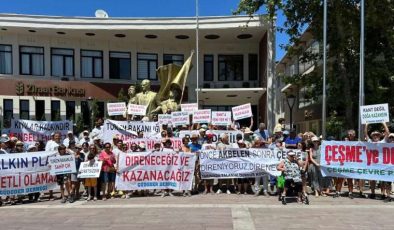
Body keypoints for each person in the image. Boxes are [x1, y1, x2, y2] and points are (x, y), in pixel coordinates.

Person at [364, 122, 390, 200]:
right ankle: (373, 193)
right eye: (374, 135)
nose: (376, 136)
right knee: (372, 179)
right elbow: (365, 133)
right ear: (372, 136)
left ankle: (382, 193)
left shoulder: (382, 142)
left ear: (379, 136)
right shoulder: (370, 142)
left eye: (377, 135)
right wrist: (367, 124)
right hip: (373, 164)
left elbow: (387, 133)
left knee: (383, 180)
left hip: (382, 164)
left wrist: (383, 123)